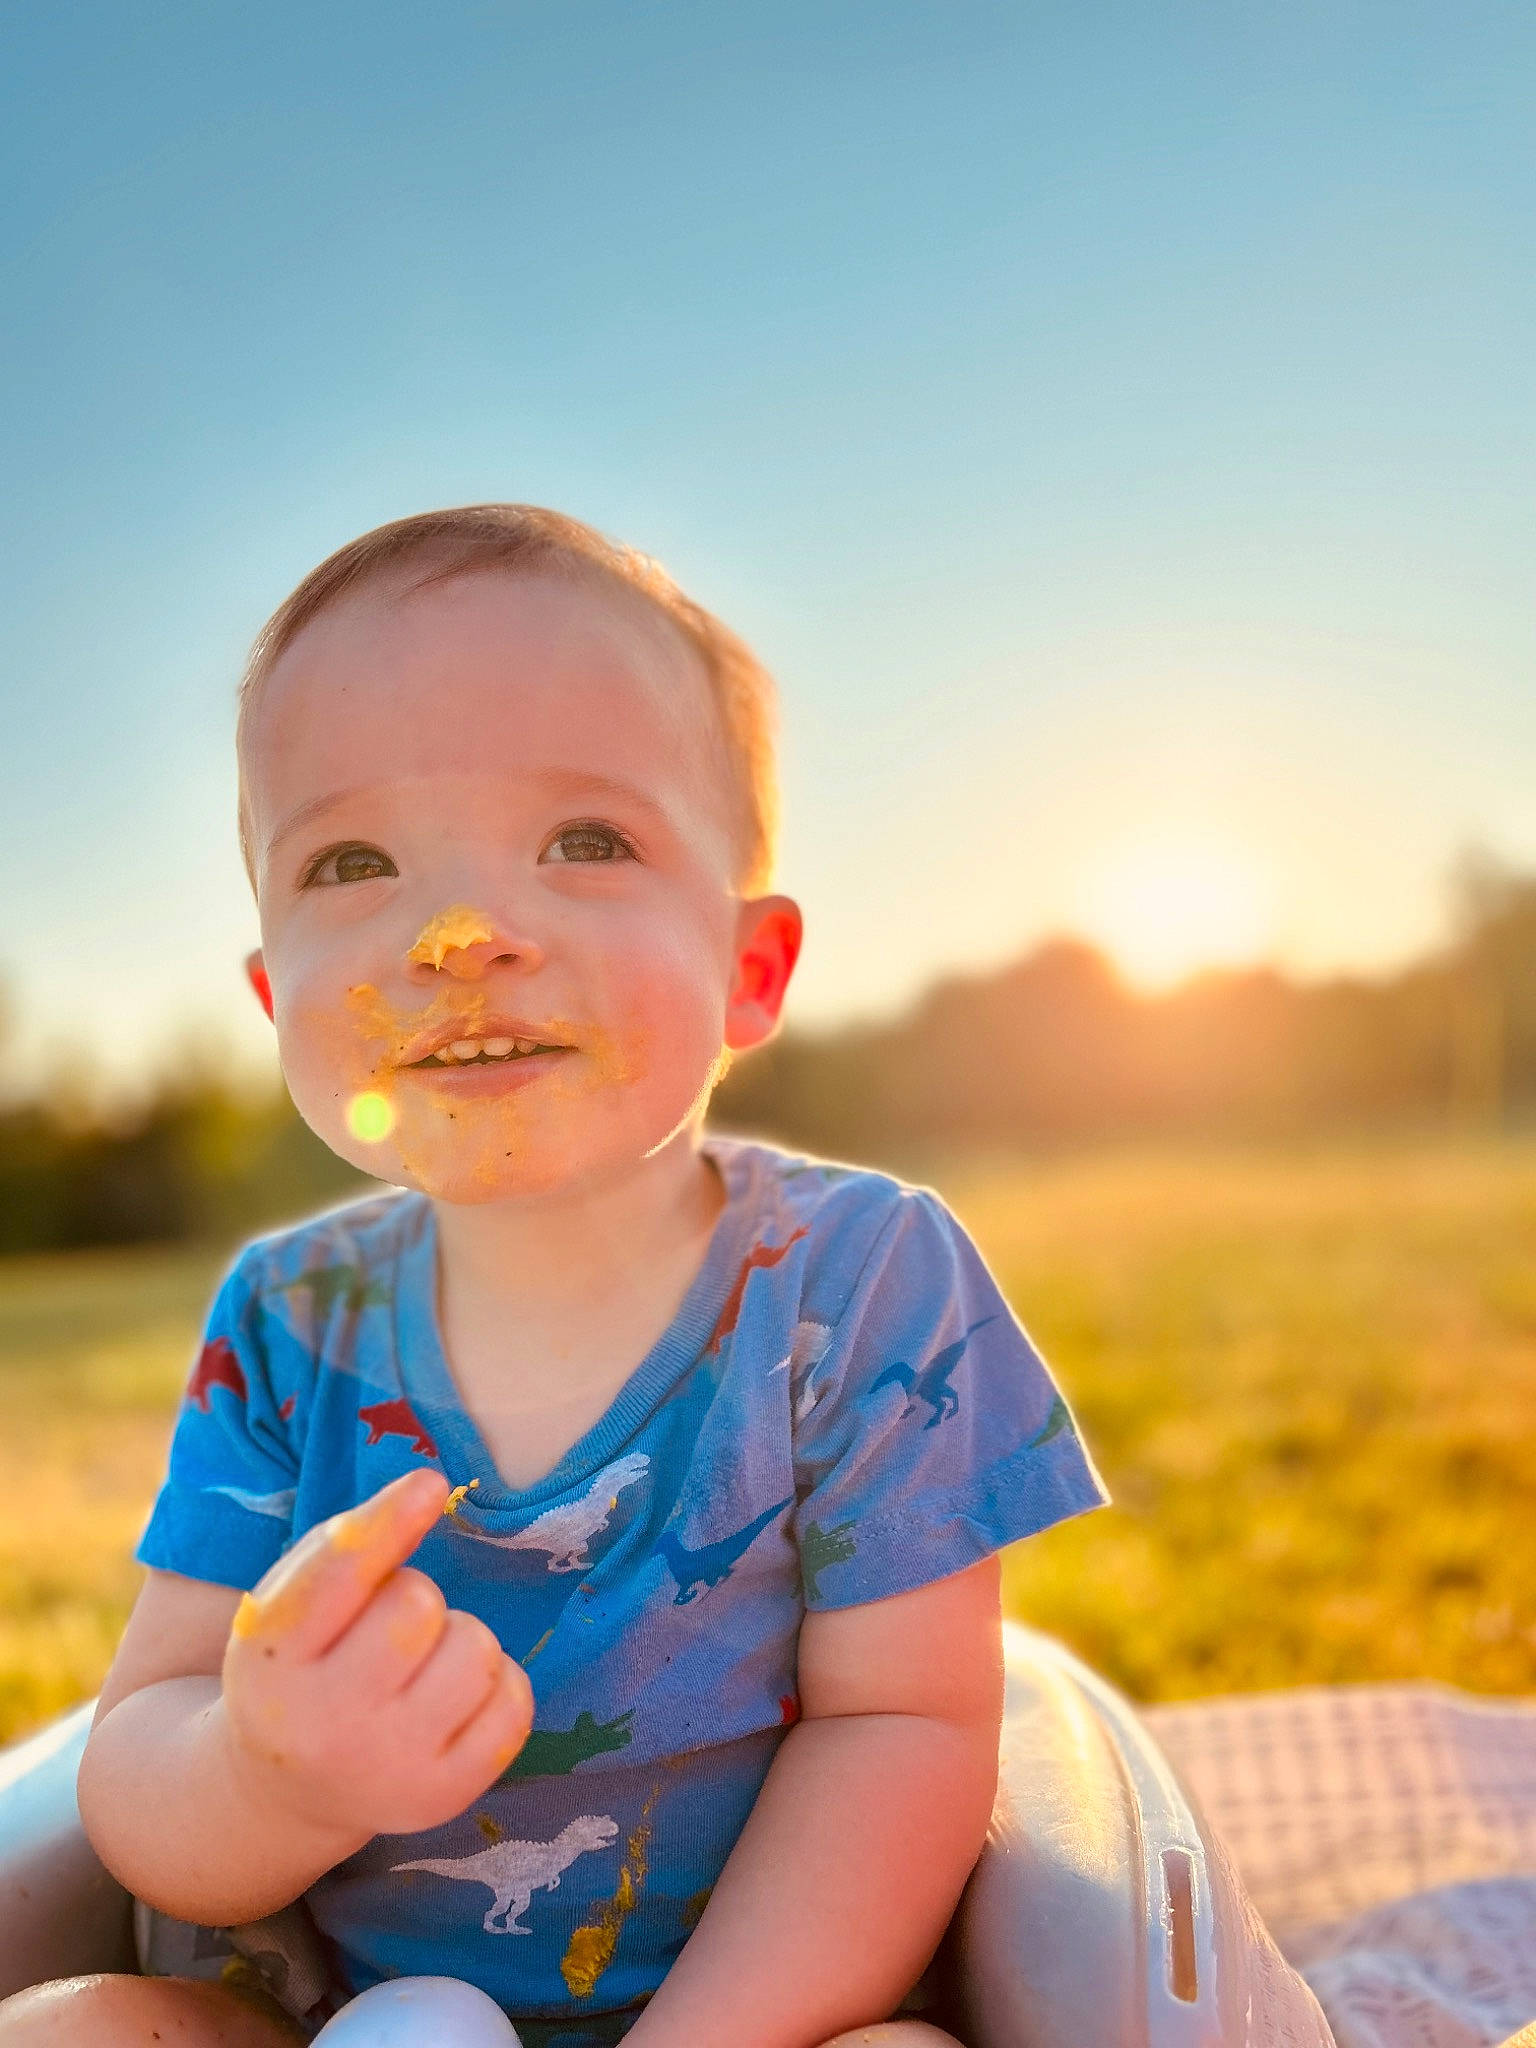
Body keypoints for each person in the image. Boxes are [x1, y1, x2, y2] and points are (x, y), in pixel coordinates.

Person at [0, 506, 1107, 2048]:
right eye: (353, 860)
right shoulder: (287, 1321)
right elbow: (141, 1759)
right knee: (63, 2029)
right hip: (336, 2012)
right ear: (272, 997)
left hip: (767, 2018)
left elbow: (904, 1728)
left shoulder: (863, 1283)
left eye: (586, 842)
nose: (462, 935)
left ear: (751, 968)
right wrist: (267, 1777)